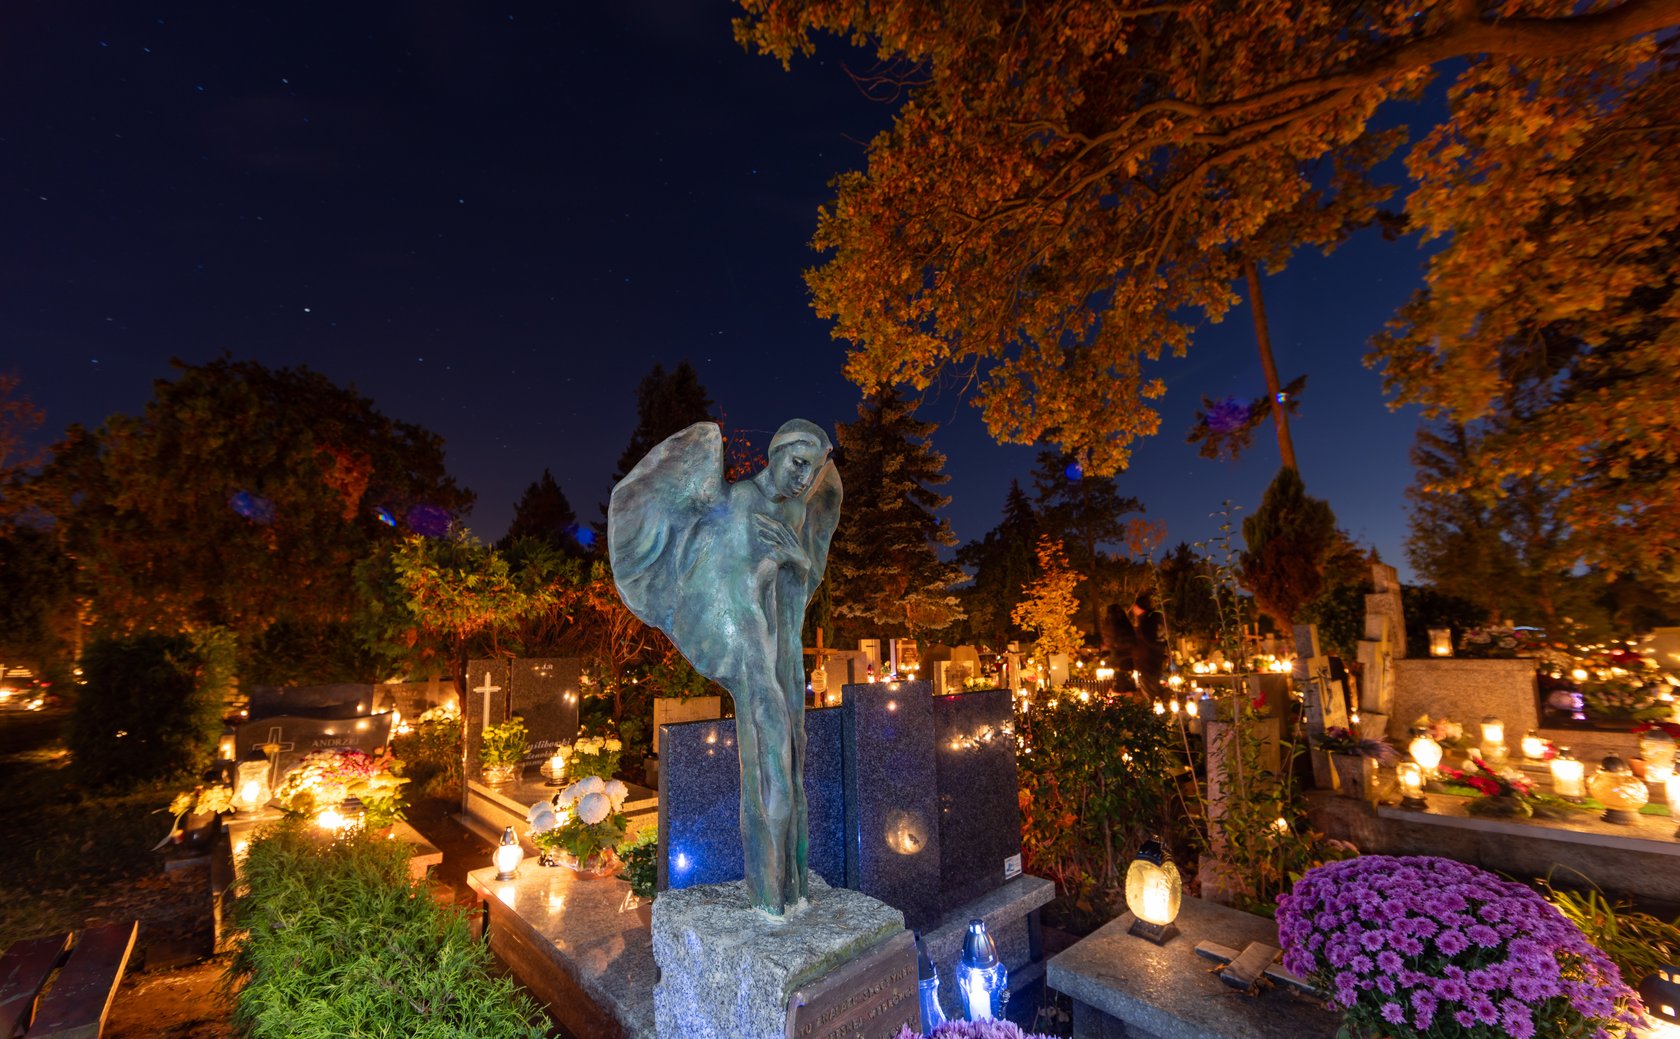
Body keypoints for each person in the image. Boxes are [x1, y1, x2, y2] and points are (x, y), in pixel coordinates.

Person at [608, 419, 841, 915]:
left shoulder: (796, 510)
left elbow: (802, 580)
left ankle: (789, 890)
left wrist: (796, 557)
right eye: (798, 463)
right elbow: (659, 512)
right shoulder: (731, 501)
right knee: (773, 758)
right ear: (775, 452)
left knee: (792, 759)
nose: (804, 477)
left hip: (780, 651)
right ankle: (771, 896)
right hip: (744, 645)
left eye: (813, 469)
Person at [1129, 590, 1169, 702]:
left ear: (1139, 607)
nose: (1133, 609)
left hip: (1147, 663)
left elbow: (1149, 640)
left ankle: (1155, 710)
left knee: (1150, 693)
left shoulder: (1146, 622)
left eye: (1135, 606)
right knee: (1154, 690)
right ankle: (1159, 707)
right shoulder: (1155, 619)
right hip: (1154, 661)